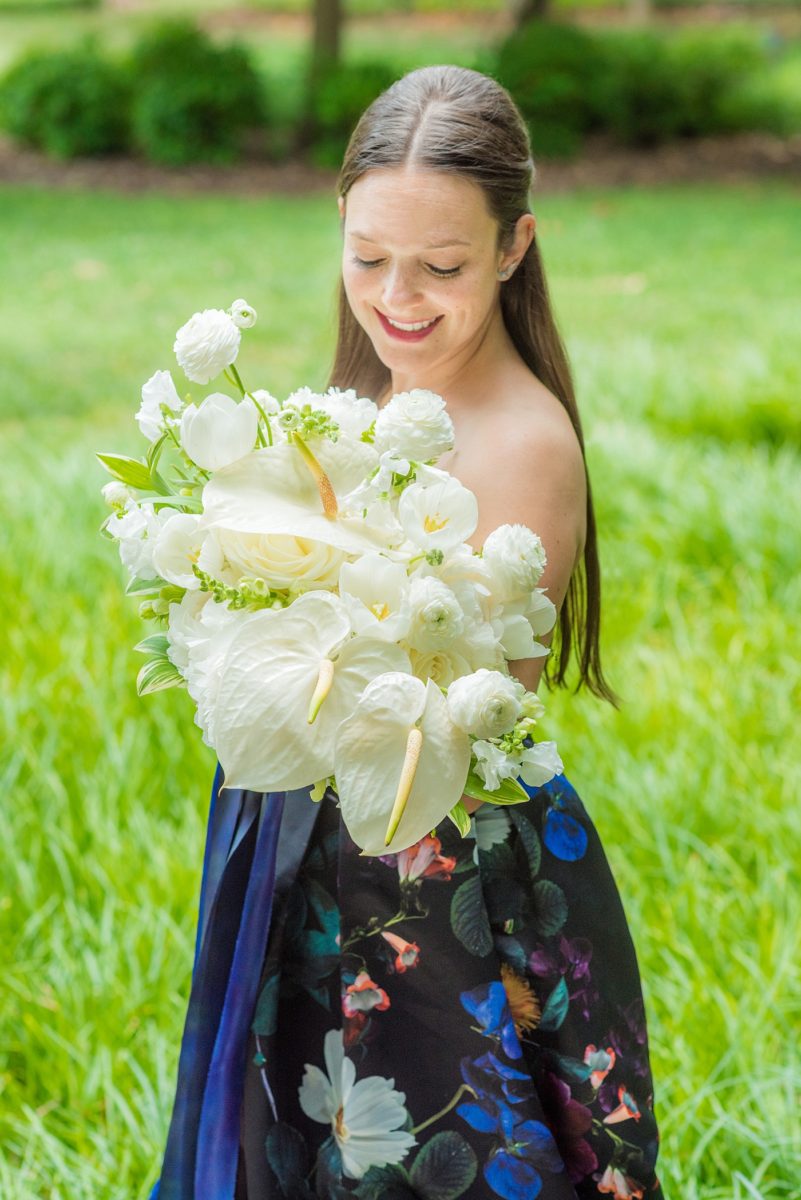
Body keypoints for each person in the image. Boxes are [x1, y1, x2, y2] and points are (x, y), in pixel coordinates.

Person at [149, 65, 665, 1200]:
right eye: (369, 258)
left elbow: (487, 711)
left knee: (448, 1148)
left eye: (443, 267)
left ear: (514, 247)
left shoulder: (525, 440)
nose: (401, 298)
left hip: (437, 874)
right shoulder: (355, 400)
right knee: (292, 1130)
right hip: (302, 834)